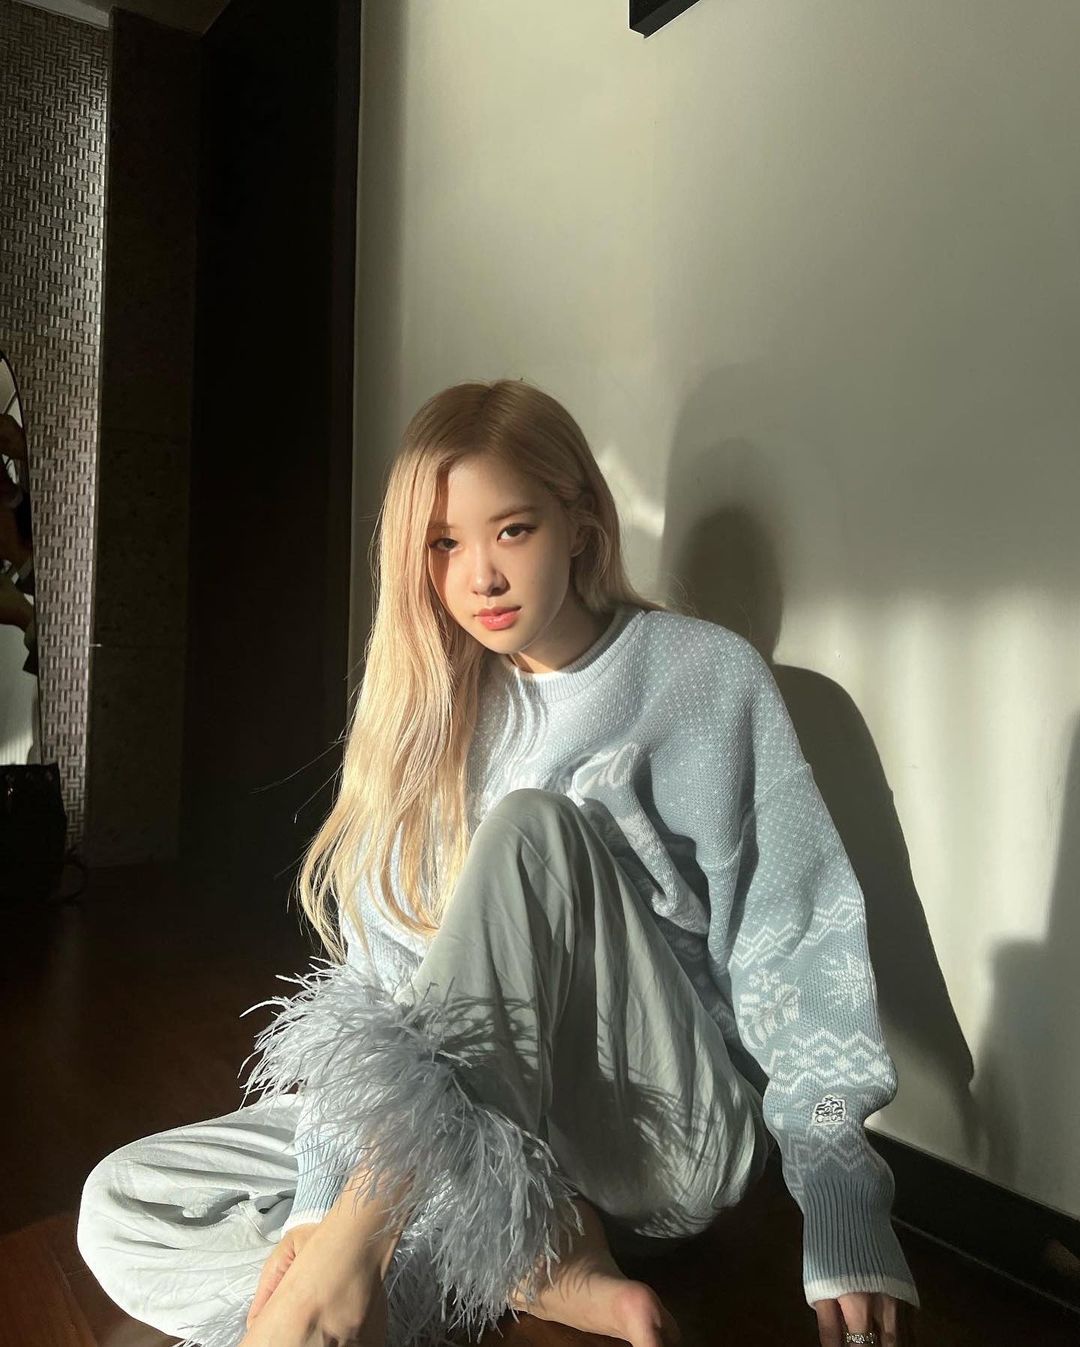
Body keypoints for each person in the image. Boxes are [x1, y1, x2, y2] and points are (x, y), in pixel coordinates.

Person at [76, 378, 920, 1347]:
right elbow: (379, 993)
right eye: (444, 544)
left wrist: (844, 1198)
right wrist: (315, 1198)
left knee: (530, 833)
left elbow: (795, 944)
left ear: (580, 521)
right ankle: (535, 1263)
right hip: (485, 1143)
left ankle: (359, 1265)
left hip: (657, 1139)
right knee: (124, 1206)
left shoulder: (704, 677)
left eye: (512, 530)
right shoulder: (434, 707)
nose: (480, 575)